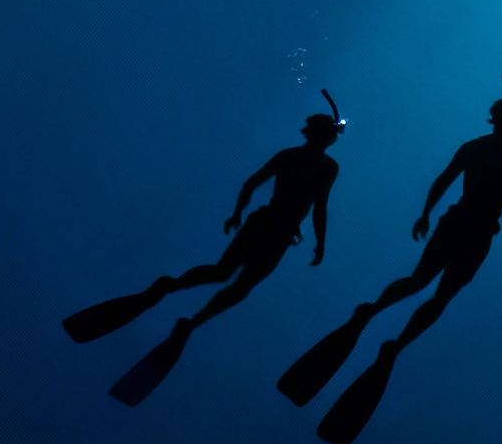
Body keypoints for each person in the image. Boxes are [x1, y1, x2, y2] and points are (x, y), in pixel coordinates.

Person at [277, 77, 502, 444]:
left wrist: (427, 213)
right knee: (438, 293)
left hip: (463, 225)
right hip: (474, 230)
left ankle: (373, 315)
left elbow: (448, 182)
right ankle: (391, 338)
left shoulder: (481, 148)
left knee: (423, 283)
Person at [62, 95, 343, 404]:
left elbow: (254, 184)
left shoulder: (290, 156)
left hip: (268, 226)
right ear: (323, 135)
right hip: (274, 231)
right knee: (236, 283)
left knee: (225, 276)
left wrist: (238, 213)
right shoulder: (325, 166)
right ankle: (186, 313)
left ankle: (172, 292)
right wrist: (320, 242)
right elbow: (318, 206)